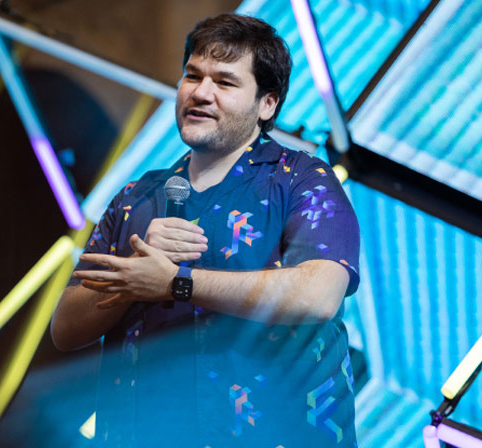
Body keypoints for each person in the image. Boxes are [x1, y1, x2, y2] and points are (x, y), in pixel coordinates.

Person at [51, 13, 360, 448]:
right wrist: (134, 275)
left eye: (225, 82)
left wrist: (176, 283)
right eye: (193, 76)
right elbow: (65, 328)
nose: (200, 92)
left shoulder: (301, 179)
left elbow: (319, 295)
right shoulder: (135, 198)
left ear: (267, 104)